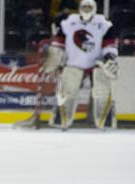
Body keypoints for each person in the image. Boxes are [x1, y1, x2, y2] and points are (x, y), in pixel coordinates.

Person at [41, 0, 118, 129]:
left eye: (89, 7)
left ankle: (105, 121)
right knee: (68, 90)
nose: (87, 9)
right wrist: (54, 54)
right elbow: (59, 41)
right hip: (74, 62)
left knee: (102, 91)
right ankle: (62, 119)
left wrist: (110, 56)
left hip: (97, 62)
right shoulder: (69, 22)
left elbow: (109, 43)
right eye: (84, 6)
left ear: (94, 8)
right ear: (79, 8)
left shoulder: (103, 23)